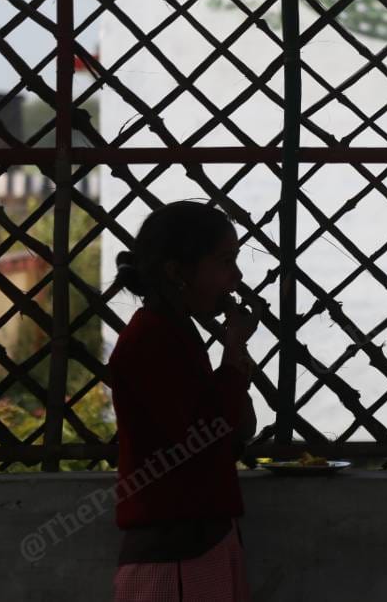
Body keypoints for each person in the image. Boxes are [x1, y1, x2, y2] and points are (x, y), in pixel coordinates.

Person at [108, 201, 258, 601]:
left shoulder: (175, 332)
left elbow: (229, 426)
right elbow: (202, 435)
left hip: (199, 540)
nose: (237, 276)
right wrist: (233, 358)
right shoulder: (150, 342)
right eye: (225, 261)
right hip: (175, 553)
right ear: (177, 272)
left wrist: (234, 356)